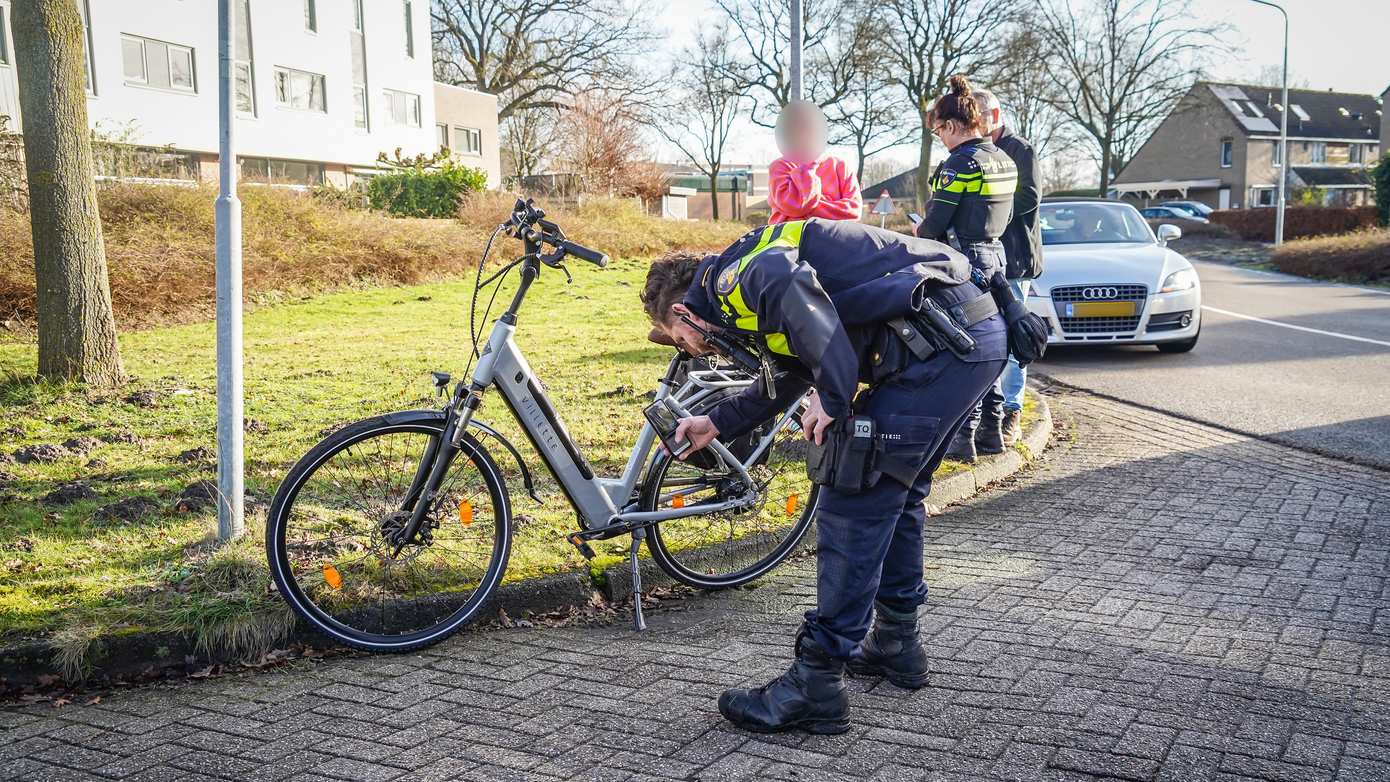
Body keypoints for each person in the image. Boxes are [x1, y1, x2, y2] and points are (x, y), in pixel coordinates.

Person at [639, 215, 1007, 734]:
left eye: (682, 339)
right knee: (895, 495)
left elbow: (800, 303)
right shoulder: (745, 287)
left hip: (939, 350)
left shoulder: (736, 279)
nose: (696, 351)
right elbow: (792, 370)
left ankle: (816, 681)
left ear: (683, 311)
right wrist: (715, 423)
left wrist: (834, 398)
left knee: (853, 499)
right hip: (964, 341)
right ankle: (896, 642)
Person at [912, 75, 1018, 464]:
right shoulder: (1003, 158)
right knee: (995, 346)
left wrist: (918, 230)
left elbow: (936, 223)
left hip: (965, 264)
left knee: (967, 349)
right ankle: (992, 432)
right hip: (996, 258)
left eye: (939, 129)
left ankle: (964, 439)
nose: (939, 137)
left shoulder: (961, 163)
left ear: (953, 126)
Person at [767, 100, 863, 223]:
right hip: (791, 240)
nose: (804, 134)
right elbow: (793, 205)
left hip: (831, 240)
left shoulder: (841, 167)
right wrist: (808, 170)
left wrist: (807, 206)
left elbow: (853, 211)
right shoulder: (780, 166)